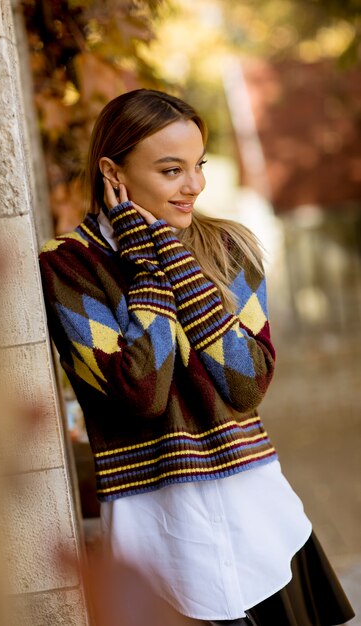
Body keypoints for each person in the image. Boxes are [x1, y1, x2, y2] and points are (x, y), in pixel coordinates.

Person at [39, 89, 354, 625]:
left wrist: (174, 262)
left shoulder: (229, 250)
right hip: (158, 534)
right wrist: (145, 269)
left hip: (259, 523)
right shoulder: (69, 268)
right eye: (170, 170)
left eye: (198, 165)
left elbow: (247, 383)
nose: (195, 186)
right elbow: (142, 391)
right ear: (113, 171)